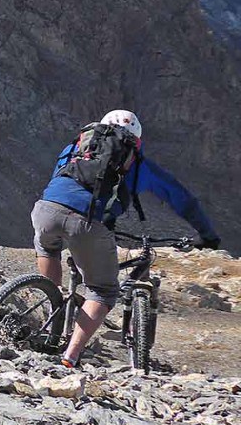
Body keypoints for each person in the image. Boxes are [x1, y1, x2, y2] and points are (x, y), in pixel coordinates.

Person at [34, 109, 223, 369]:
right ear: (137, 141)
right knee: (103, 290)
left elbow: (62, 179)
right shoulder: (138, 164)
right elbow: (182, 200)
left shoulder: (78, 146)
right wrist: (208, 236)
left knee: (48, 248)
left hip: (45, 208)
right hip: (87, 222)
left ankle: (49, 313)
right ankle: (70, 356)